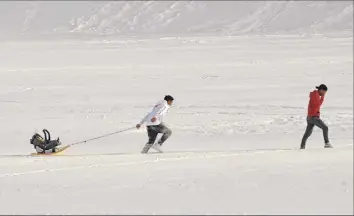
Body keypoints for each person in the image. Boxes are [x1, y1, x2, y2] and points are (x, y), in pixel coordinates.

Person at [301, 84, 332, 149]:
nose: (324, 93)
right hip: (313, 117)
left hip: (310, 117)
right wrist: (322, 98)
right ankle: (327, 143)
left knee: (308, 133)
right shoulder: (315, 95)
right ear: (321, 90)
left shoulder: (316, 95)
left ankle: (302, 146)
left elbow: (318, 105)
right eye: (324, 92)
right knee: (325, 128)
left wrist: (322, 97)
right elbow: (317, 105)